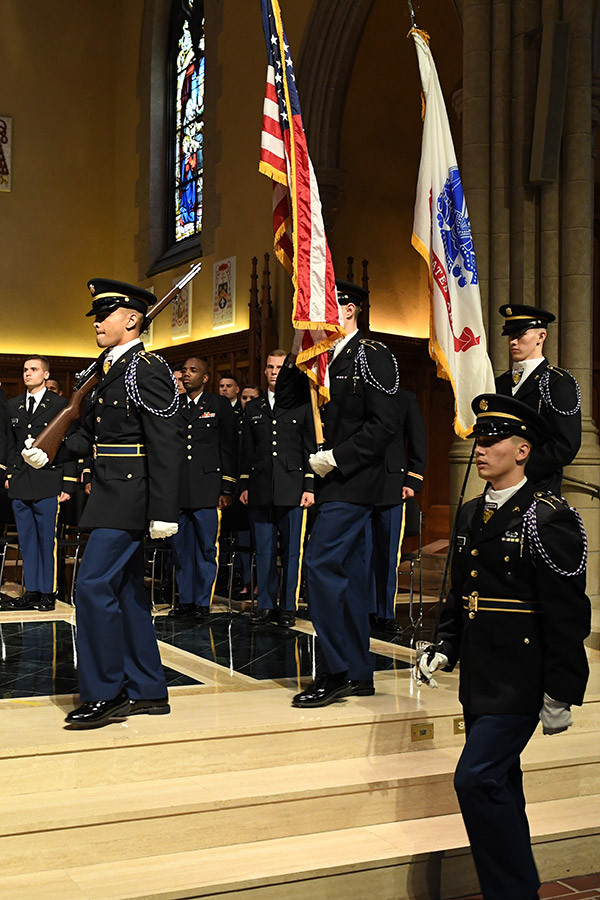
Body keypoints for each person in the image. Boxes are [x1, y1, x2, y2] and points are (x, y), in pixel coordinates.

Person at [416, 393, 591, 900]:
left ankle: (511, 892)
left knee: (475, 779)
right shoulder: (472, 513)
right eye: (479, 438)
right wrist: (445, 645)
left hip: (522, 675)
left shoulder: (548, 516)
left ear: (523, 451)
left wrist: (562, 688)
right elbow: (459, 591)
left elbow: (566, 612)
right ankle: (518, 890)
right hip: (480, 676)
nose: (481, 447)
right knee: (501, 786)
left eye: (494, 440)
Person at [23, 279, 182, 728]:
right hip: (111, 491)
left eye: (105, 315)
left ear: (132, 320)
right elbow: (92, 432)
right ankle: (147, 688)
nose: (97, 322)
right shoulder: (106, 367)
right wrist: (49, 449)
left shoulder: (145, 368)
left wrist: (164, 511)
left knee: (90, 587)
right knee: (126, 592)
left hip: (132, 495)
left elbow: (166, 443)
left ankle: (106, 692)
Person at [287, 282, 399, 708]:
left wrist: (337, 457)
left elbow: (384, 424)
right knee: (349, 577)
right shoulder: (322, 360)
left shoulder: (372, 355)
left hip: (357, 479)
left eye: (328, 307)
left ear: (349, 310)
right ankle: (356, 672)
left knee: (319, 565)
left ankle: (334, 671)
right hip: (332, 479)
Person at [239, 350, 316, 628]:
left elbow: (309, 449)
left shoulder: (302, 406)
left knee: (293, 550)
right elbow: (247, 450)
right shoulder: (253, 407)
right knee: (264, 549)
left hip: (293, 486)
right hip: (260, 486)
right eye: (270, 367)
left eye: (280, 368)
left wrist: (309, 485)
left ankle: (289, 606)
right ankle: (266, 604)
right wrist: (244, 483)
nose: (274, 372)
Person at [4, 356, 75, 611]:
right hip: (22, 480)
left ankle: (48, 591)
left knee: (47, 540)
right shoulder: (13, 405)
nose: (27, 374)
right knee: (26, 541)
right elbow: (10, 444)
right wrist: (9, 475)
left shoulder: (59, 404)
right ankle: (31, 590)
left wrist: (68, 483)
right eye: (24, 370)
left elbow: (69, 445)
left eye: (33, 369)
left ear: (45, 374)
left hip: (48, 480)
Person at [170, 357, 238, 619]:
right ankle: (185, 600)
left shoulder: (218, 405)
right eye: (184, 370)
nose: (187, 375)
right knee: (181, 549)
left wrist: (227, 489)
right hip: (179, 490)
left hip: (208, 489)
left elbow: (230, 448)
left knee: (206, 549)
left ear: (206, 378)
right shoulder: (174, 406)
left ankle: (202, 602)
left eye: (193, 371)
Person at [495, 304, 581, 493]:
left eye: (520, 335)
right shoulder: (501, 383)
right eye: (510, 336)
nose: (512, 342)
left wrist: (517, 469)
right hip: (499, 486)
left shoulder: (557, 382)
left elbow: (565, 444)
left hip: (538, 487)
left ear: (541, 337)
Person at [370, 388, 427, 634]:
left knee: (388, 556)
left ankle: (385, 612)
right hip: (357, 485)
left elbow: (417, 441)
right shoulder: (357, 395)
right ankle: (365, 609)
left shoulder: (405, 399)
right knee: (361, 555)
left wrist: (412, 480)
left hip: (393, 487)